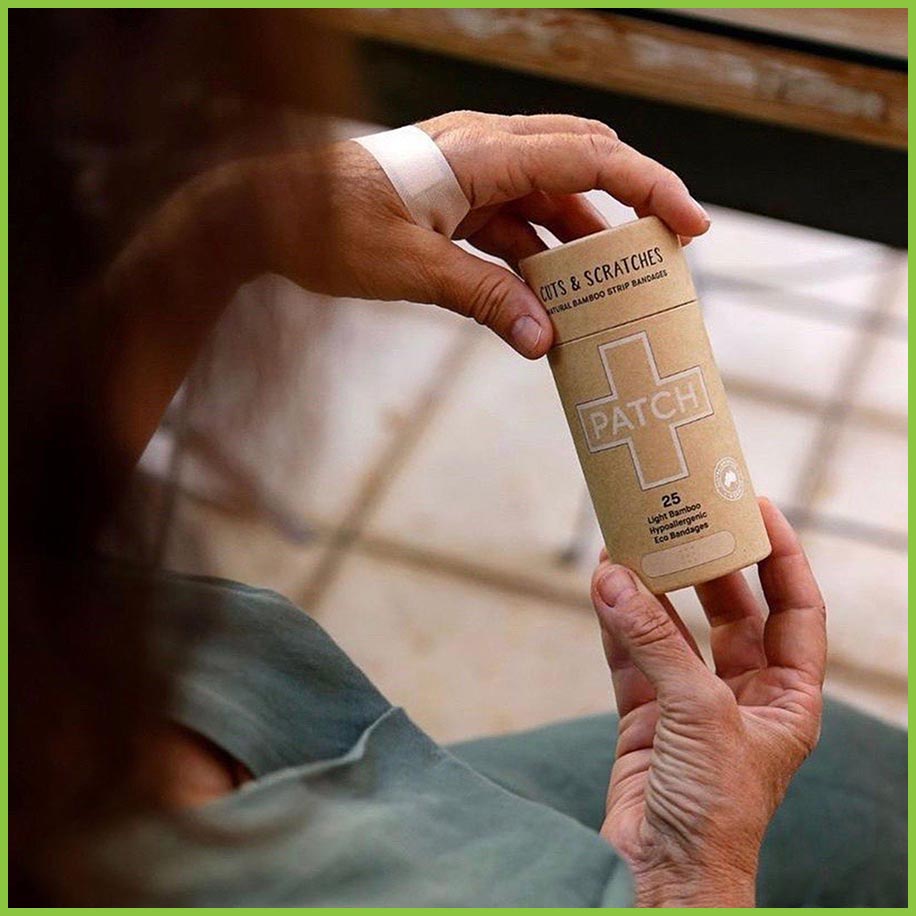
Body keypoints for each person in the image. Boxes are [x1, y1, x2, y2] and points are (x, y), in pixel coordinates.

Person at [10, 19, 905, 903]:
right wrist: (686, 873)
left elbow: (34, 498)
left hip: (350, 771)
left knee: (867, 786)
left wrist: (219, 236)